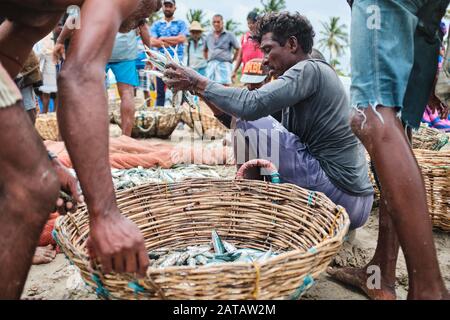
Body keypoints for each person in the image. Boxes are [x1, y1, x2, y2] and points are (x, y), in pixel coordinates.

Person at [0, 0, 162, 299]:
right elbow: (80, 75)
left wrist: (46, 157)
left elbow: (4, 64)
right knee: (33, 186)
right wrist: (106, 215)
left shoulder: (44, 13)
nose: (149, 14)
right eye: (153, 7)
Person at [165, 12, 375, 232]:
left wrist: (198, 82)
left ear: (292, 44)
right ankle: (255, 203)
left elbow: (248, 108)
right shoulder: (298, 87)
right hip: (354, 203)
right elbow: (237, 122)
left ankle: (251, 207)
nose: (264, 59)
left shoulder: (310, 68)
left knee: (248, 115)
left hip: (338, 195)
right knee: (247, 121)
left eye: (268, 50)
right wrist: (200, 92)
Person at [327, 0, 450, 300]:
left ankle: (428, 291)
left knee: (371, 115)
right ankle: (381, 272)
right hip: (425, 15)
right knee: (398, 125)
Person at [150, 0, 188, 107]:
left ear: (175, 7)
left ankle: (179, 117)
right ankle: (161, 116)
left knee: (179, 90)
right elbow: (152, 42)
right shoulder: (156, 24)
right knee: (160, 92)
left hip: (178, 62)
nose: (167, 8)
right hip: (160, 62)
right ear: (162, 7)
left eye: (170, 6)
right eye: (165, 6)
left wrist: (162, 39)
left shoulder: (181, 23)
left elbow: (182, 38)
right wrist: (172, 42)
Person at [204, 14, 240, 86]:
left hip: (224, 64)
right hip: (211, 64)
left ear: (222, 23)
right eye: (214, 22)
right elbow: (205, 50)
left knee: (225, 87)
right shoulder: (208, 36)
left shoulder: (229, 35)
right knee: (209, 87)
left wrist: (232, 60)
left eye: (218, 22)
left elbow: (238, 49)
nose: (216, 24)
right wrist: (208, 60)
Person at [232, 11, 264, 82]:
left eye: (253, 23)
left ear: (258, 22)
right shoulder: (244, 37)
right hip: (247, 72)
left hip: (260, 71)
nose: (250, 25)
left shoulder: (262, 36)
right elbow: (240, 56)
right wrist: (234, 71)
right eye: (249, 23)